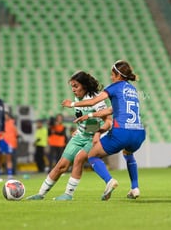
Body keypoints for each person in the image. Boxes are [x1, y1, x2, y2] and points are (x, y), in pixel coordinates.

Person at [63, 60, 146, 201]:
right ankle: (135, 187)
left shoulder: (114, 87)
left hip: (122, 132)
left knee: (92, 155)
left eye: (112, 74)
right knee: (128, 154)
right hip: (139, 132)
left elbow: (93, 101)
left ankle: (109, 181)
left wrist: (72, 104)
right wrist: (89, 115)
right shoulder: (132, 90)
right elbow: (112, 110)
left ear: (118, 75)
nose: (111, 77)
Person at [27, 71, 112, 201]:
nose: (73, 89)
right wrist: (79, 129)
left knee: (78, 160)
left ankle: (68, 194)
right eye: (72, 86)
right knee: (61, 165)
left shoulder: (96, 99)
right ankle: (40, 194)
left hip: (93, 138)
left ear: (84, 85)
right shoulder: (78, 98)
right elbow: (84, 119)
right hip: (80, 136)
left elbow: (108, 121)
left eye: (76, 86)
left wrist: (98, 133)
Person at [0, 112, 18, 179]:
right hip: (2, 142)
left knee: (9, 158)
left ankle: (9, 173)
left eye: (6, 116)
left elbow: (16, 133)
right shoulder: (0, 124)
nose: (5, 117)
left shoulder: (12, 123)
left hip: (9, 143)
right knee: (0, 158)